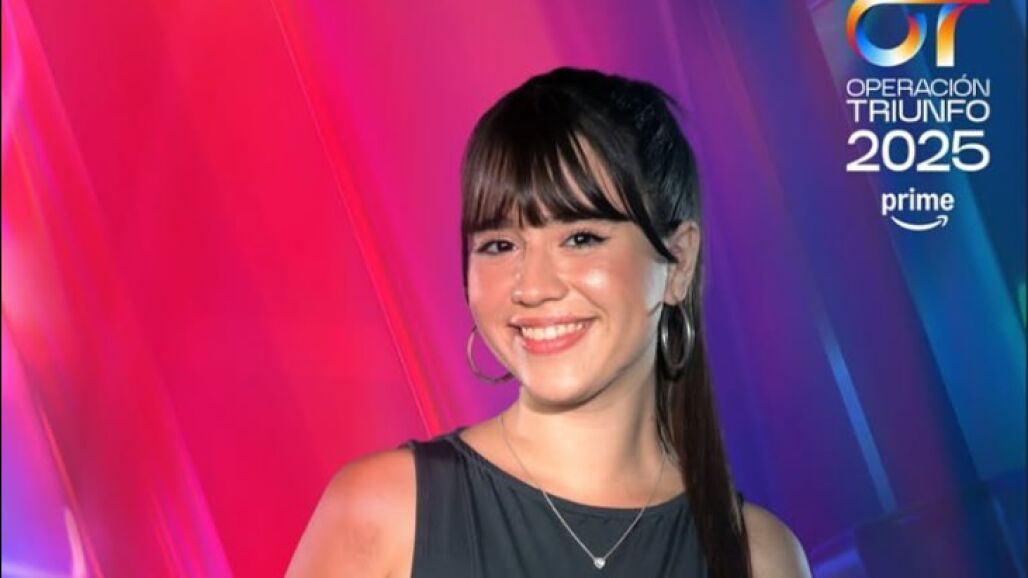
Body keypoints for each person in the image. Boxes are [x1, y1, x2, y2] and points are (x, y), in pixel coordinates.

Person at [287, 67, 812, 577]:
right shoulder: (382, 513)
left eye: (581, 238)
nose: (533, 287)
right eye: (500, 245)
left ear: (678, 263)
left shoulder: (759, 557)